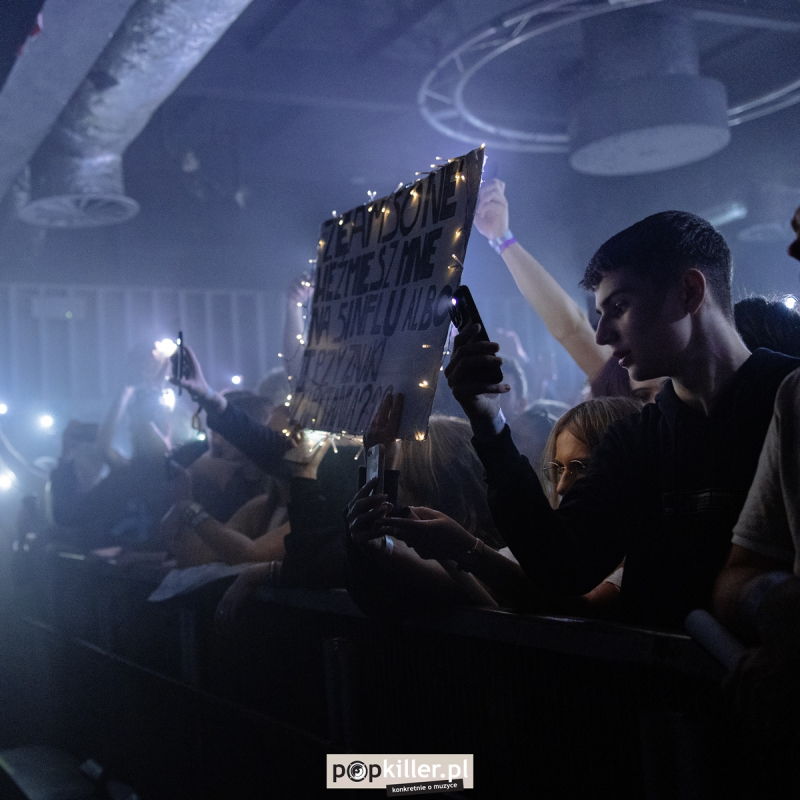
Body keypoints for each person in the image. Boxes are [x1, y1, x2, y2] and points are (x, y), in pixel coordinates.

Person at [446, 210, 799, 628]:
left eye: (620, 306)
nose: (602, 334)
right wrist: (490, 424)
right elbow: (563, 564)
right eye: (601, 313)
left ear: (689, 292)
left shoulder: (790, 400)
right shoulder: (635, 440)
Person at [474, 178, 665, 402]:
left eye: (667, 391)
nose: (656, 403)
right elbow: (571, 327)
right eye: (643, 396)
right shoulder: (623, 377)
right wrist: (501, 238)